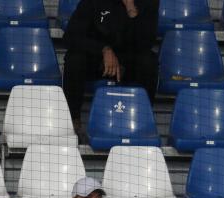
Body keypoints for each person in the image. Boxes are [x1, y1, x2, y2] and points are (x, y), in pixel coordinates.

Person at [62, 0, 158, 129]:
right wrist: (104, 49)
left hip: (128, 61)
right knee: (74, 59)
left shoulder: (148, 3)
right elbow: (71, 36)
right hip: (96, 59)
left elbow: (147, 43)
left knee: (149, 62)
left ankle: (144, 121)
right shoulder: (92, 2)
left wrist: (131, 8)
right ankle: (73, 120)